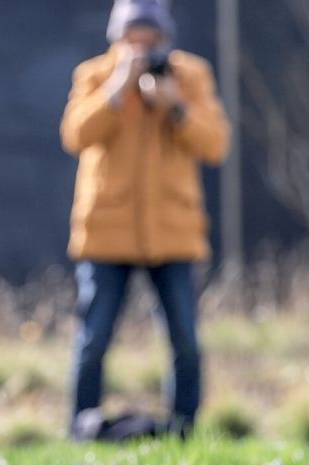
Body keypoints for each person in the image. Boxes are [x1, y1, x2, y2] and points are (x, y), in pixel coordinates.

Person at [59, 0, 230, 440]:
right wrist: (118, 88)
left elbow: (216, 145)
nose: (141, 48)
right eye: (132, 39)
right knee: (92, 339)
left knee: (185, 340)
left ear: (164, 40)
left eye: (149, 40)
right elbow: (75, 134)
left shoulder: (190, 77)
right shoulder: (94, 75)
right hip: (106, 233)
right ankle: (81, 429)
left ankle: (184, 432)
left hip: (173, 234)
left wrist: (176, 107)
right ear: (116, 39)